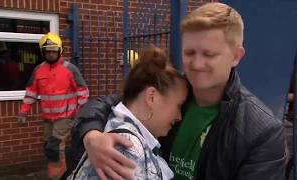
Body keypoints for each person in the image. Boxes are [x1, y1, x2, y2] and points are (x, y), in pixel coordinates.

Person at [72, 2, 286, 180]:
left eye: (209, 54)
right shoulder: (172, 92)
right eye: (189, 52)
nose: (196, 64)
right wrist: (92, 137)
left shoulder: (262, 132)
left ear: (236, 56)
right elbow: (101, 105)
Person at [67, 46, 188, 179]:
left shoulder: (130, 135)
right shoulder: (126, 147)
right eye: (179, 105)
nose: (179, 117)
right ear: (152, 96)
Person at [17, 32, 89, 180]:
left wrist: (81, 113)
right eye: (47, 51)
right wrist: (24, 112)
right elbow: (31, 92)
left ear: (60, 50)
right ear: (43, 52)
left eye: (53, 51)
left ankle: (57, 176)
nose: (50, 54)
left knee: (54, 146)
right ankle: (65, 170)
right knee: (48, 147)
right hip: (47, 118)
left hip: (66, 116)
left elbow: (83, 92)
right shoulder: (38, 70)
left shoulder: (70, 69)